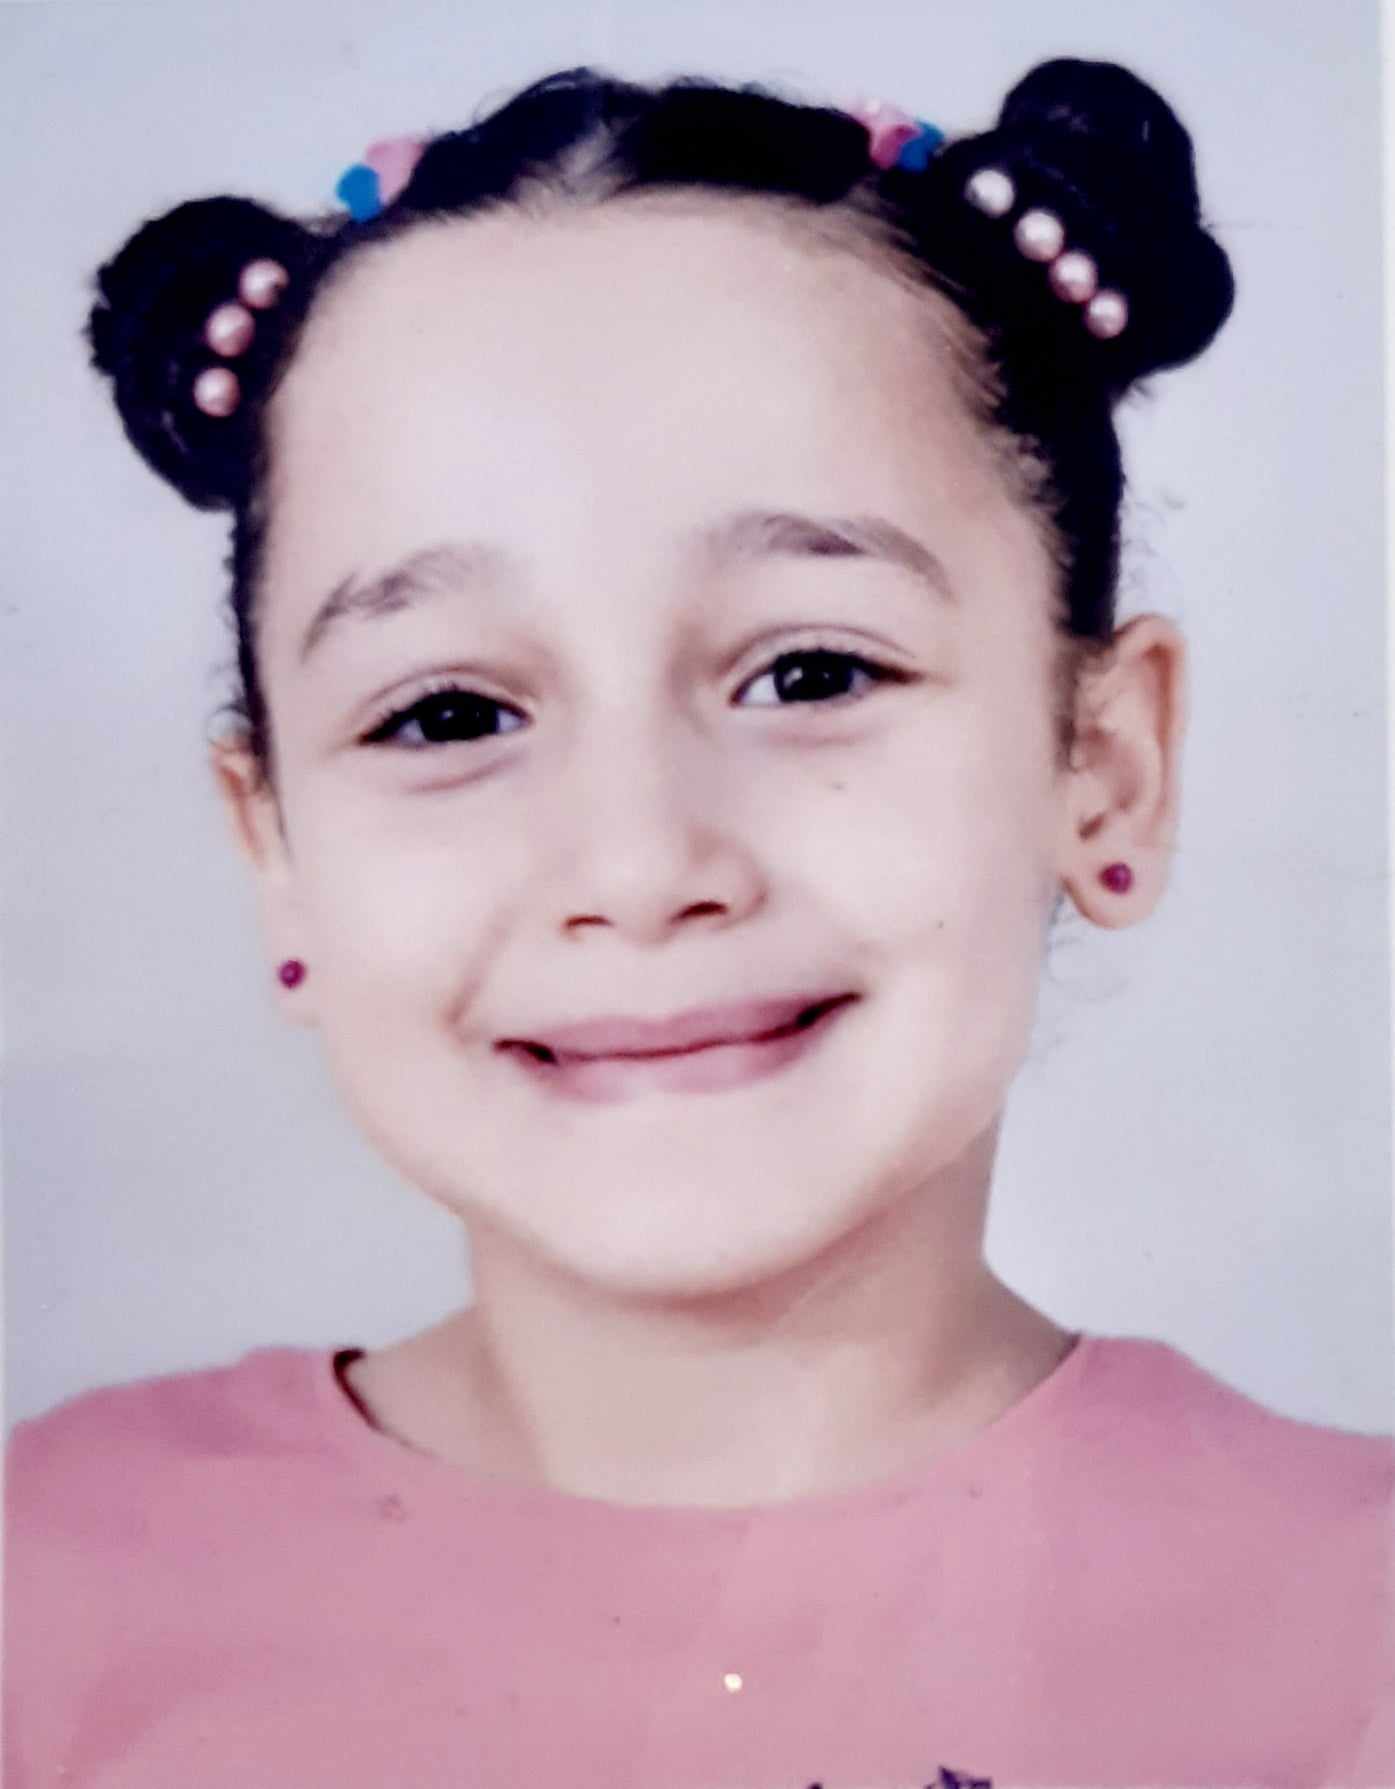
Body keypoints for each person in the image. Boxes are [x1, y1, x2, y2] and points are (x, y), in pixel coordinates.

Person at [5, 55, 1390, 1789]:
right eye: (447, 713)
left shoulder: (1352, 1637)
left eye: (811, 672)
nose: (642, 860)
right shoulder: (44, 1595)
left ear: (1106, 765)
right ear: (276, 847)